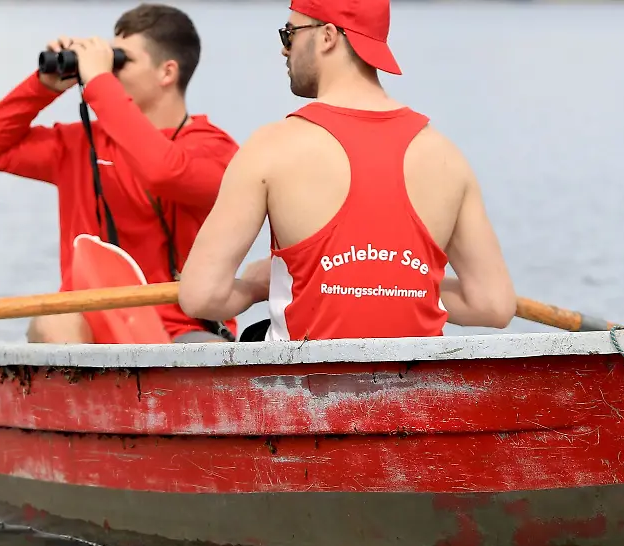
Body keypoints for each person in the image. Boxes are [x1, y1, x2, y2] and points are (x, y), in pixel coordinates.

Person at [178, 0, 516, 341]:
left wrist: (253, 286)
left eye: (289, 33)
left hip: (303, 387)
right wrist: (392, 280)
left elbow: (201, 296)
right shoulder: (445, 156)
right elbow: (492, 304)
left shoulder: (271, 148)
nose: (284, 50)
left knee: (254, 334)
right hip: (416, 389)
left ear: (327, 36)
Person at [0, 3, 240, 344]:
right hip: (92, 326)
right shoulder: (81, 145)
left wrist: (98, 82)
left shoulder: (214, 150)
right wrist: (43, 86)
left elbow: (163, 172)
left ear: (167, 72)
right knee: (54, 323)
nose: (109, 69)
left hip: (181, 331)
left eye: (120, 59)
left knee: (203, 357)